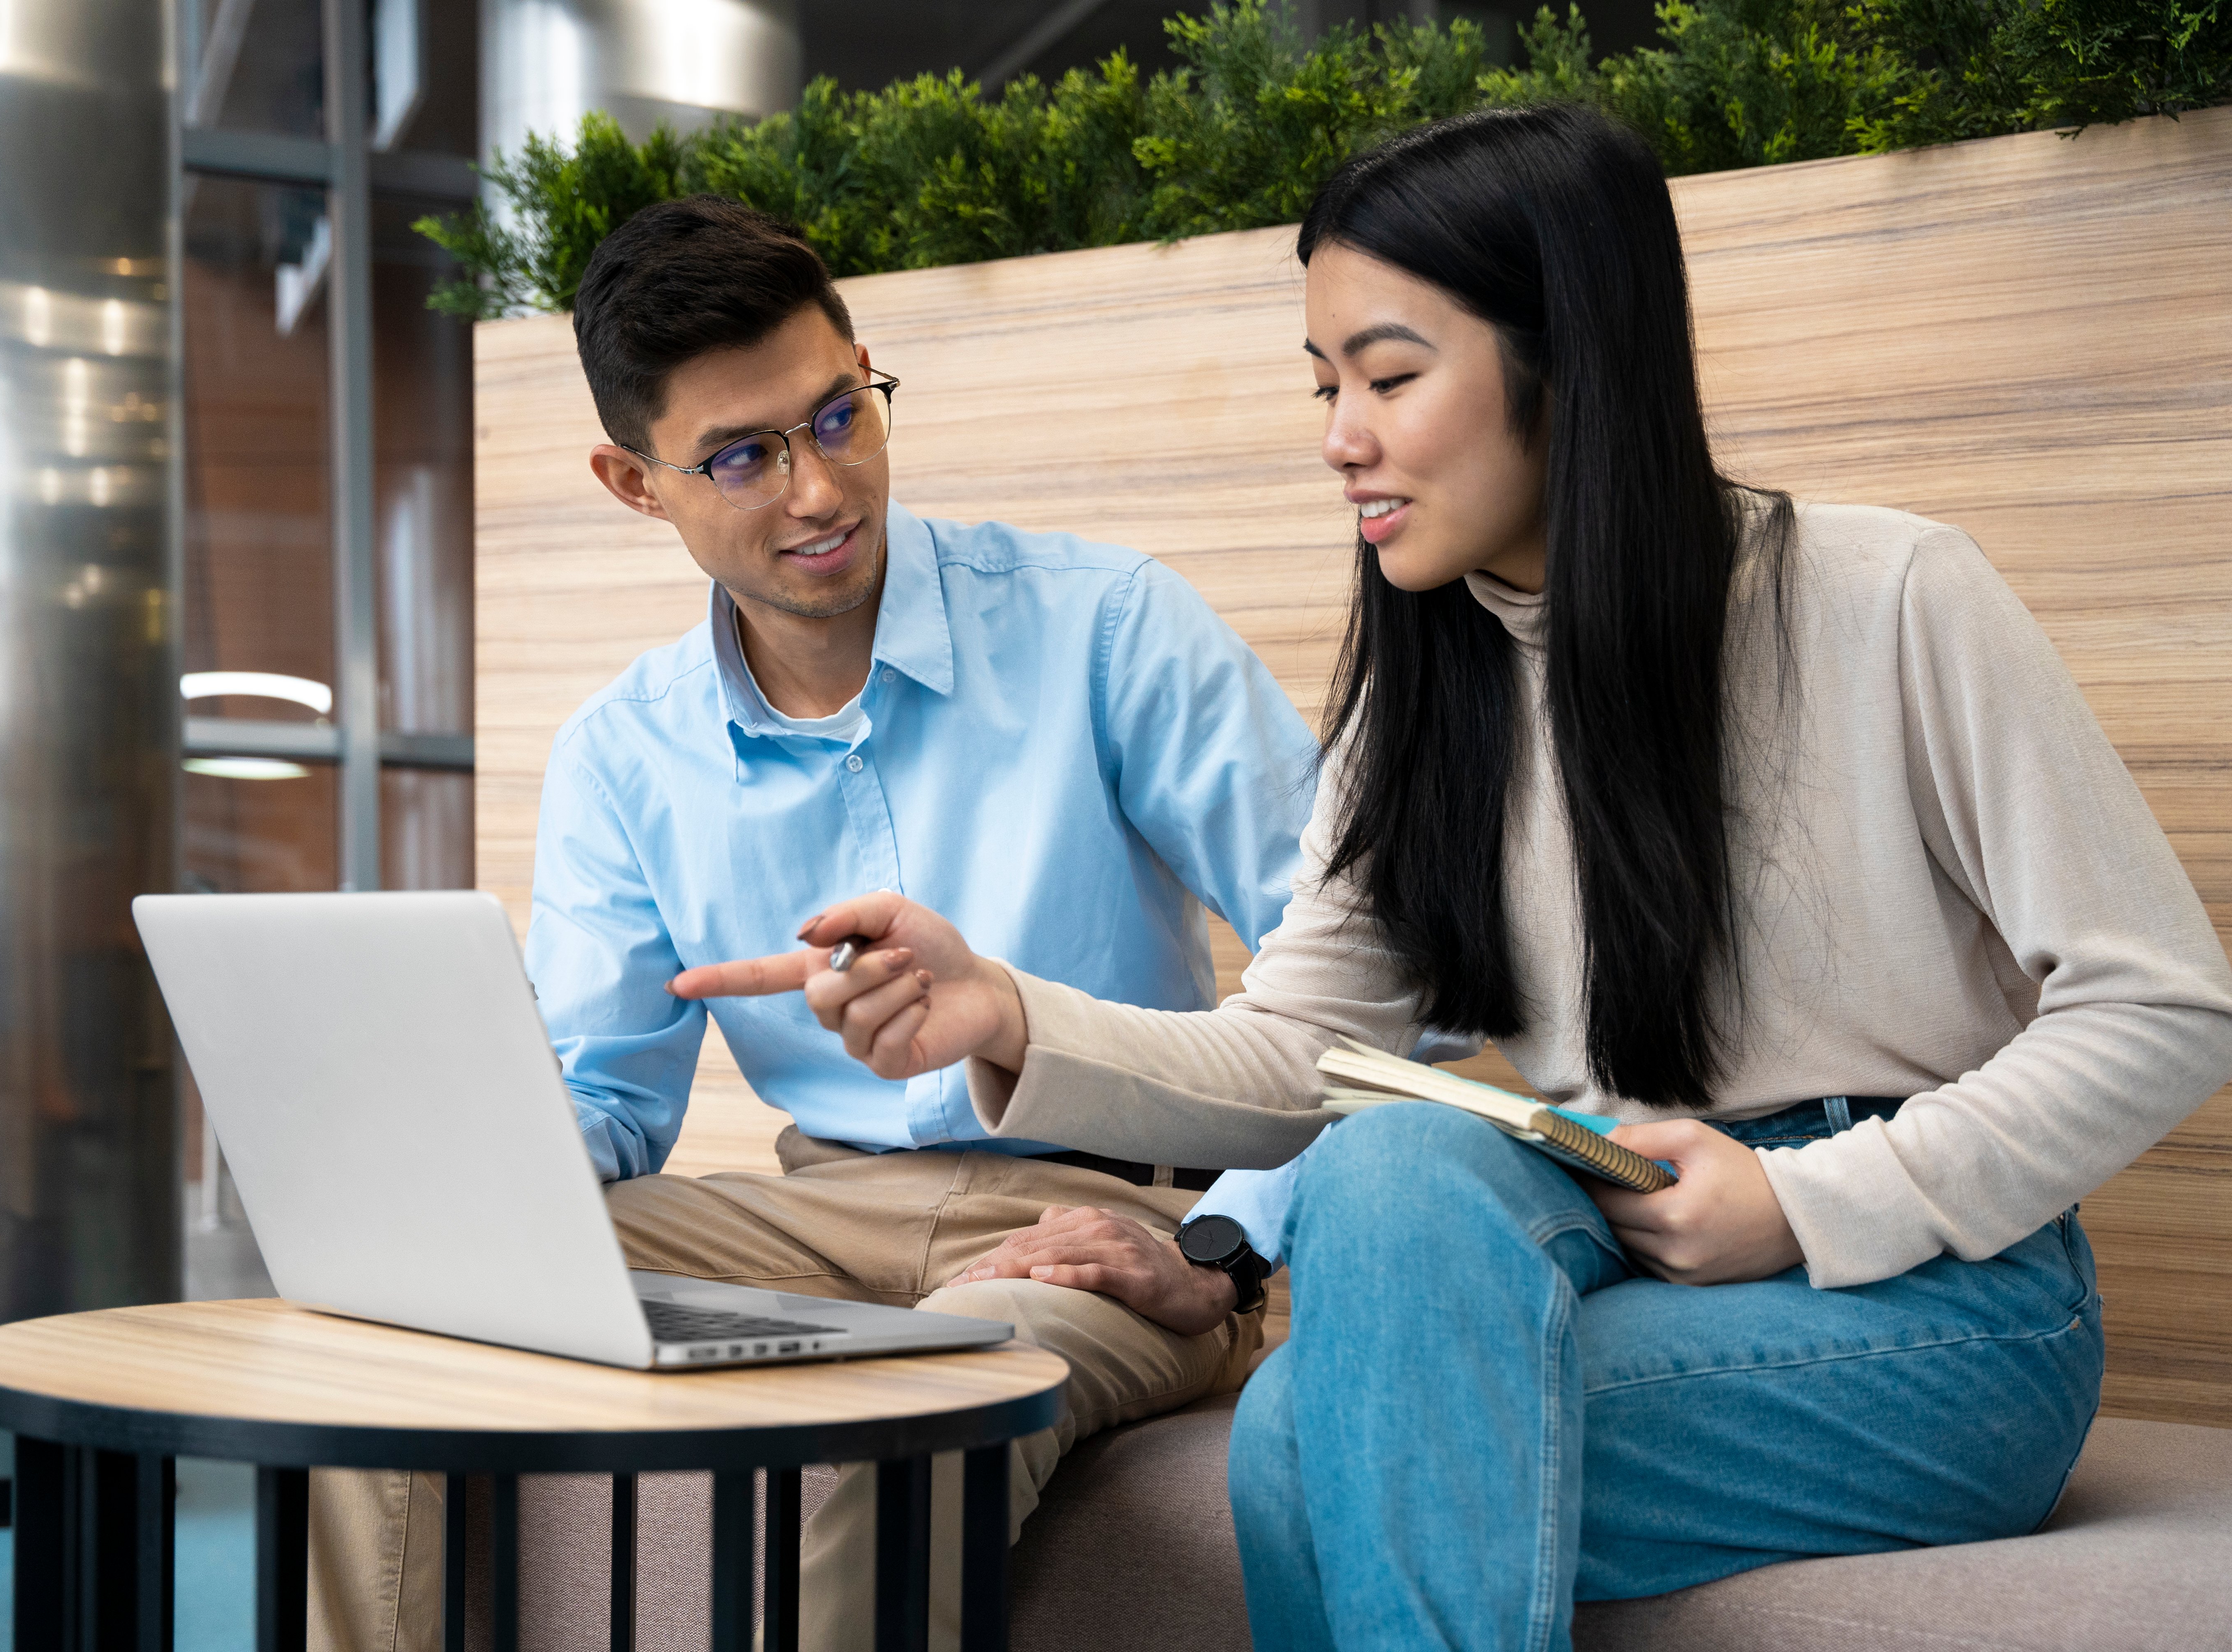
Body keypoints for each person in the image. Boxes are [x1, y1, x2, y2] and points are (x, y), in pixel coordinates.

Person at [679, 106, 2232, 1647]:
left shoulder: (1891, 598)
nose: (1341, 433)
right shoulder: (1427, 692)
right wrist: (1000, 1011)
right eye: (1325, 384)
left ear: (1568, 362)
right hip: (1615, 1235)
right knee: (1384, 1164)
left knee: (1305, 1451)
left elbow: (2162, 1006)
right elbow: (1297, 1059)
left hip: (1945, 1304)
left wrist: (1809, 1201)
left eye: (1392, 377)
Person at [308, 193, 1439, 1652]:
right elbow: (607, 1105)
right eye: (741, 456)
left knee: (951, 1393)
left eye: (839, 417)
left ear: (863, 367)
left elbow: (1377, 1010)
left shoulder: (1110, 628)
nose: (817, 489)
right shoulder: (622, 752)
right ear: (634, 482)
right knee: (398, 1303)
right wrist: (451, 1146)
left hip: (1112, 1211)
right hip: (814, 1213)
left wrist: (1228, 1244)